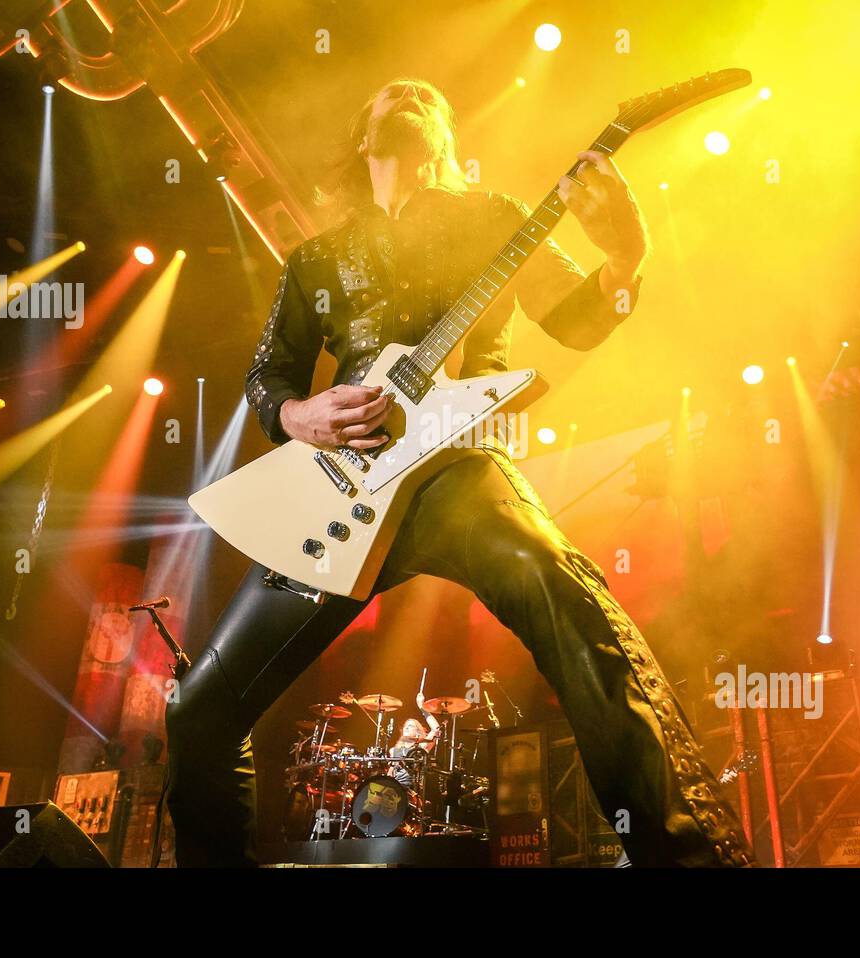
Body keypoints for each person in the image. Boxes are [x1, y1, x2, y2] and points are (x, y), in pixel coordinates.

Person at [166, 77, 753, 868]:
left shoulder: (495, 219)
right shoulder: (315, 259)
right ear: (360, 138)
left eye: (426, 97)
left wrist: (625, 255)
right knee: (198, 712)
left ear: (443, 139)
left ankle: (685, 859)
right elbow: (268, 375)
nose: (406, 94)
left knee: (571, 605)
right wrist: (300, 417)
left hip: (459, 472)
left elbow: (576, 321)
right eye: (387, 94)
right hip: (341, 492)